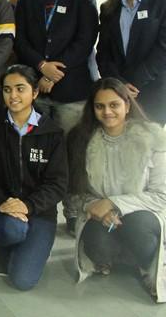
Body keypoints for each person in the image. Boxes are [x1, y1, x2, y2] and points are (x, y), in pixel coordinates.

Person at [14, 0, 98, 232]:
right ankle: (36, 206)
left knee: (74, 153)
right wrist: (41, 66)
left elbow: (85, 40)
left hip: (72, 91)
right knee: (35, 153)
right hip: (35, 90)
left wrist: (54, 73)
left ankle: (73, 211)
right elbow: (20, 40)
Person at [0, 65, 68, 291]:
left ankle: (26, 246)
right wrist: (3, 202)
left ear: (35, 92)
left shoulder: (52, 132)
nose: (13, 95)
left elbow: (57, 183)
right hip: (0, 207)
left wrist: (28, 206)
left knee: (23, 280)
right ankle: (6, 247)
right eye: (7, 89)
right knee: (13, 230)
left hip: (40, 212)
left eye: (20, 89)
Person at [68, 77, 166, 301]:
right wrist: (96, 207)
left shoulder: (153, 138)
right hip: (105, 218)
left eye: (114, 105)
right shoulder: (81, 139)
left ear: (127, 105)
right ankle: (119, 256)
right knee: (97, 245)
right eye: (100, 106)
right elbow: (74, 192)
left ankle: (143, 260)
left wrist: (113, 203)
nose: (107, 112)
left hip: (144, 216)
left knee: (137, 229)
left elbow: (162, 195)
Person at [97, 0, 166, 125]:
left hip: (151, 89)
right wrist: (119, 83)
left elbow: (162, 50)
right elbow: (103, 52)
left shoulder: (162, 2)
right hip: (117, 92)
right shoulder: (109, 8)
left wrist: (134, 82)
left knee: (148, 140)